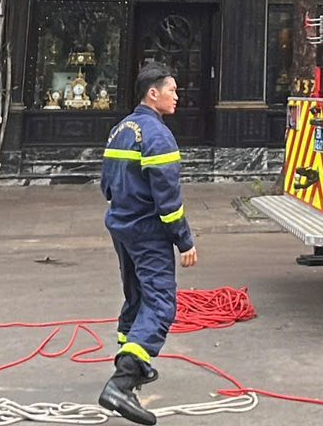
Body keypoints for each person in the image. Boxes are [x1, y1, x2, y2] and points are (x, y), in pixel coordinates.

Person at [97, 61, 198, 426]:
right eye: (171, 89)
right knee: (160, 303)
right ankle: (122, 382)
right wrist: (184, 241)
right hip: (148, 232)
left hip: (121, 226)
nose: (177, 95)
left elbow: (106, 185)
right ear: (152, 93)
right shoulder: (157, 135)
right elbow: (168, 201)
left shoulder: (120, 129)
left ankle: (132, 367)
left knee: (136, 297)